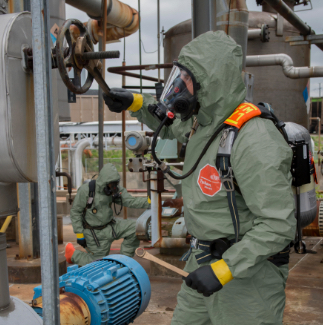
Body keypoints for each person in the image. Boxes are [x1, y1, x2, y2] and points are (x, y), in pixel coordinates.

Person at [103, 31, 296, 325]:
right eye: (178, 77)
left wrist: (224, 270)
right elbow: (168, 127)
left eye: (187, 79)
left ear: (212, 81)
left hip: (248, 275)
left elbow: (279, 224)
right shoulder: (203, 122)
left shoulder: (254, 139)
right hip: (205, 259)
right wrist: (135, 102)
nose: (180, 86)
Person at [65, 163, 150, 266]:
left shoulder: (114, 190)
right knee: (97, 263)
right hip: (94, 233)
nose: (113, 187)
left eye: (115, 184)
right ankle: (72, 254)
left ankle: (124, 262)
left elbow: (131, 201)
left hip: (111, 226)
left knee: (134, 228)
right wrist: (79, 234)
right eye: (110, 184)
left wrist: (151, 201)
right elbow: (75, 212)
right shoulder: (86, 191)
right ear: (103, 182)